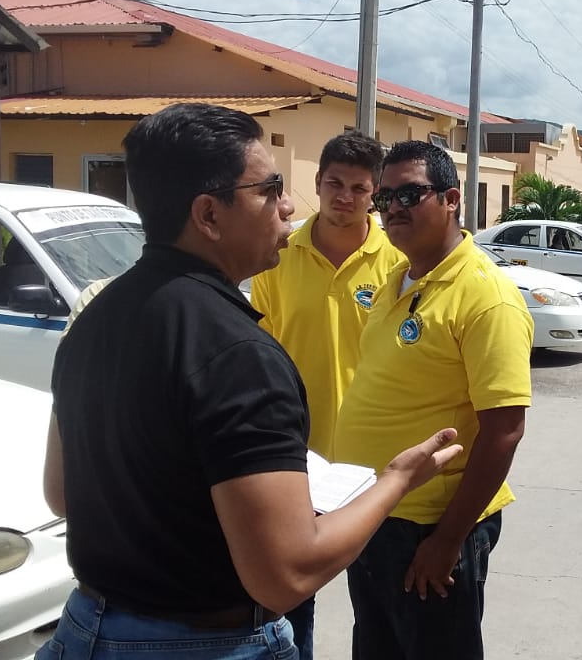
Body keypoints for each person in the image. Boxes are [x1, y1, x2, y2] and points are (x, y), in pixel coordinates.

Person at [40, 104, 462, 660]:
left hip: (84, 631)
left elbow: (62, 494)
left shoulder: (96, 317)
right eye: (270, 190)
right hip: (204, 644)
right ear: (209, 214)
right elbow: (286, 576)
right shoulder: (237, 354)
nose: (288, 207)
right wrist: (396, 481)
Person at [333, 140, 533, 660]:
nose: (393, 208)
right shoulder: (396, 280)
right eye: (385, 197)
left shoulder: (486, 298)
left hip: (430, 525)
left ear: (451, 199)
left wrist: (447, 541)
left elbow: (505, 430)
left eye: (409, 194)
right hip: (376, 512)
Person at [247, 130, 399, 658]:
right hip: (298, 459)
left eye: (359, 188)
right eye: (335, 183)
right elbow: (260, 350)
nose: (345, 197)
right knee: (291, 606)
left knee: (380, 606)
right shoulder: (278, 255)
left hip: (376, 462)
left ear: (374, 194)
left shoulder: (397, 262)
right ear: (316, 183)